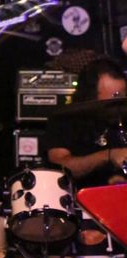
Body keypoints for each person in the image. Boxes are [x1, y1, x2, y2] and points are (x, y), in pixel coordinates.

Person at [45, 56, 127, 188]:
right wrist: (108, 155)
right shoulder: (65, 120)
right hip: (78, 196)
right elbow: (59, 166)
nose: (118, 108)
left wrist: (121, 183)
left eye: (122, 100)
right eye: (112, 102)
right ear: (91, 98)